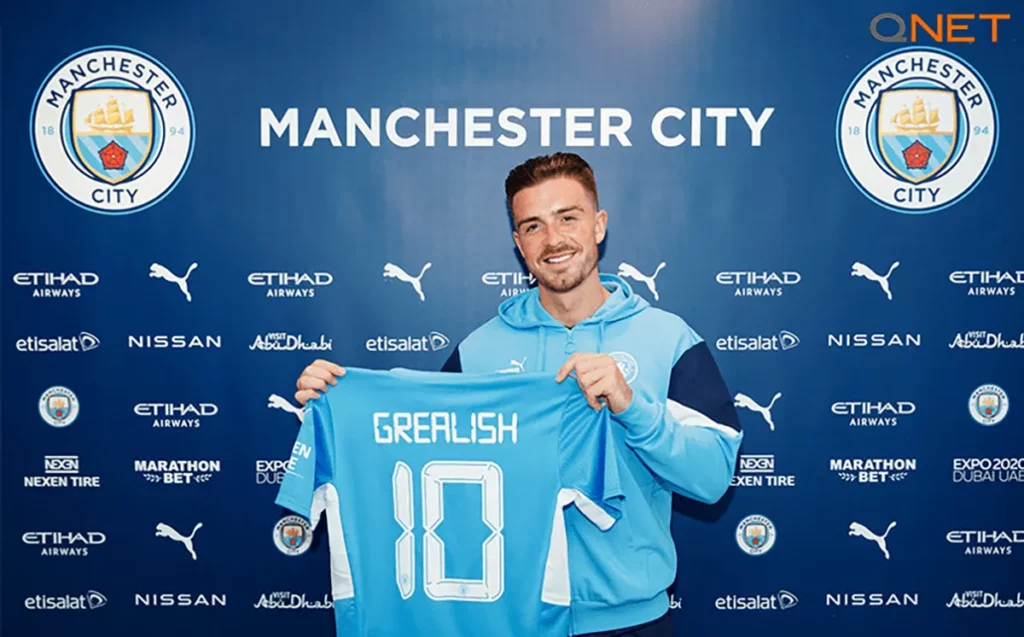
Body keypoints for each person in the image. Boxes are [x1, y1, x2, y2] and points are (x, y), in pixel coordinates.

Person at [293, 152, 743, 637]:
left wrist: (634, 408)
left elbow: (713, 479)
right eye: (532, 226)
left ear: (599, 225)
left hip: (628, 621)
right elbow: (421, 460)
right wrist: (339, 406)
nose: (553, 240)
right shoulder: (480, 350)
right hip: (505, 620)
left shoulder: (669, 339)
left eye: (567, 218)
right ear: (518, 243)